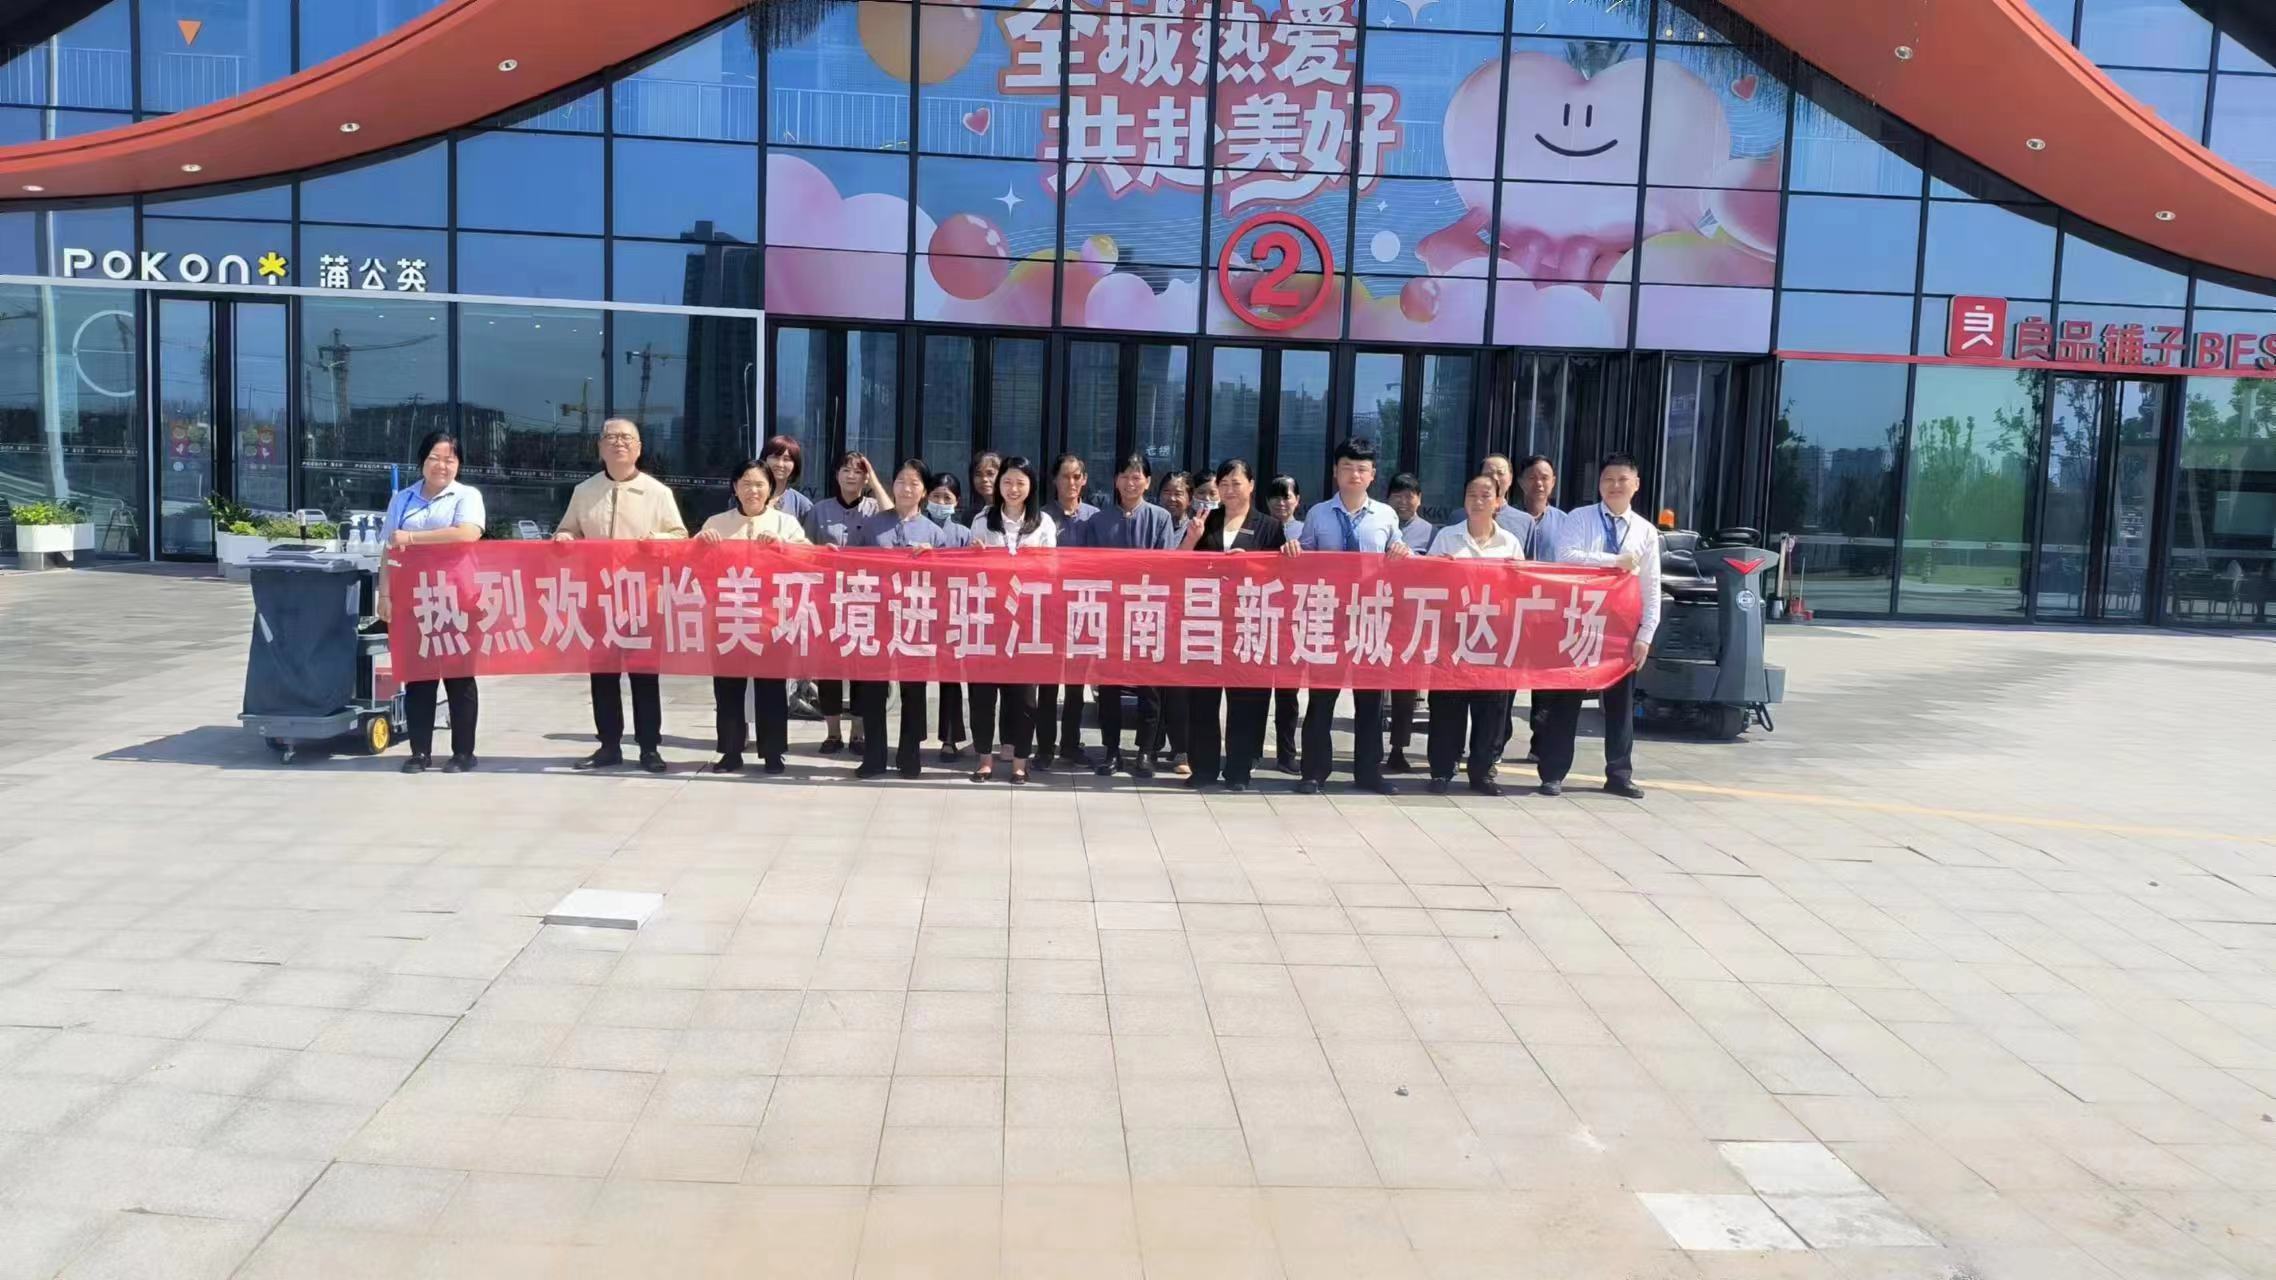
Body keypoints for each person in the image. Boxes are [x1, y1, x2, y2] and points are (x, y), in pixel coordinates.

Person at [554, 417, 689, 773]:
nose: (619, 443)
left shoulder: (658, 493)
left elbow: (680, 537)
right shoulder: (584, 491)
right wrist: (565, 538)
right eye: (611, 437)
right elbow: (568, 529)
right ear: (600, 447)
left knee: (644, 677)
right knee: (603, 676)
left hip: (643, 599)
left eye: (627, 438)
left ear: (639, 448)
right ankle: (609, 745)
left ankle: (649, 747)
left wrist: (655, 541)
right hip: (598, 598)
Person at [1283, 438, 1410, 796]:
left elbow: (1402, 555)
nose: (1354, 474)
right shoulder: (1319, 513)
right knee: (1322, 698)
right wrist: (1293, 550)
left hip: (1370, 616)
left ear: (1372, 475)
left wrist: (1402, 552)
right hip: (1329, 616)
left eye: (1361, 468)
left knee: (1370, 701)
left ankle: (1368, 772)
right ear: (1335, 472)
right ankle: (1314, 771)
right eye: (1347, 467)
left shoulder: (1385, 515)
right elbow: (1306, 556)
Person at [1538, 452, 1661, 800]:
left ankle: (1619, 774)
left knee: (1620, 705)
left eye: (1622, 479)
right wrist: (1615, 562)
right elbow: (1567, 557)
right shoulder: (1580, 518)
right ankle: (1553, 773)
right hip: (1579, 622)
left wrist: (1646, 634)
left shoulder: (1646, 530)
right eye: (1608, 479)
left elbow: (1651, 585)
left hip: (1622, 629)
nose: (1615, 485)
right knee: (1566, 701)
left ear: (1636, 485)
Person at [378, 431, 485, 775]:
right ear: (422, 461)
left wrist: (412, 538)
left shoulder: (466, 495)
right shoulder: (403, 499)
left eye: (450, 459)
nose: (442, 465)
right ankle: (419, 752)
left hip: (457, 599)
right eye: (434, 458)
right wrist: (384, 594)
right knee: (418, 679)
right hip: (413, 599)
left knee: (459, 678)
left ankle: (464, 753)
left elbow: (468, 533)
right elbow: (389, 549)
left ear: (459, 464)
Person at [698, 458, 809, 775]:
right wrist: (700, 544)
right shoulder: (716, 523)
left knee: (771, 689)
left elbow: (808, 557)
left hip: (771, 618)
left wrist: (782, 546)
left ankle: (773, 753)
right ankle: (731, 752)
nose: (752, 490)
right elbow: (694, 564)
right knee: (728, 689)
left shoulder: (785, 523)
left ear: (770, 488)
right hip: (728, 616)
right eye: (745, 483)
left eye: (759, 484)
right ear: (735, 487)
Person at [1179, 459, 1282, 792]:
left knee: (1246, 702)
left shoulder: (1269, 526)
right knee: (1202, 700)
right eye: (1223, 484)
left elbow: (1280, 576)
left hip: (1248, 621)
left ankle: (1239, 770)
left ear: (1251, 485)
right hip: (1207, 620)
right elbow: (1179, 566)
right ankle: (1204, 768)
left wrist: (1250, 565)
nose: (1230, 490)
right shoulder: (1206, 520)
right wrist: (1191, 539)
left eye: (1236, 483)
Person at [852, 459, 954, 780]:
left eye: (914, 483)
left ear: (923, 491)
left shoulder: (935, 533)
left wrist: (933, 558)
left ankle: (909, 756)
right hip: (877, 616)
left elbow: (946, 581)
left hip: (915, 618)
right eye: (900, 481)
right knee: (873, 690)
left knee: (914, 690)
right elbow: (853, 564)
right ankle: (874, 756)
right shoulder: (872, 525)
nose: (906, 488)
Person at [1424, 474, 1524, 796]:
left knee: (1491, 709)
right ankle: (1442, 770)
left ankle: (1482, 772)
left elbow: (1520, 588)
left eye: (1485, 495)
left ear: (1498, 502)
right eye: (1472, 495)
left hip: (1493, 637)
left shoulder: (1509, 543)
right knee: (1447, 706)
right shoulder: (1447, 537)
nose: (1478, 501)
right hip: (1452, 636)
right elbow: (1427, 582)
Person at [1080, 452, 1178, 779]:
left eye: (1137, 477)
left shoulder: (1160, 518)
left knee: (1150, 688)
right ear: (1116, 481)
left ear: (1147, 482)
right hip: (1110, 615)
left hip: (1148, 613)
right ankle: (1111, 751)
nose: (1130, 482)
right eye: (1125, 476)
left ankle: (1145, 752)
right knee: (1108, 687)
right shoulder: (1098, 521)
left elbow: (1165, 566)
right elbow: (1089, 568)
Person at [967, 455, 1055, 784]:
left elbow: (1053, 570)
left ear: (1031, 486)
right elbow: (969, 570)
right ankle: (984, 759)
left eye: (1020, 482)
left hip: (1028, 620)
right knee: (982, 694)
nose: (1013, 488)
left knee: (1024, 697)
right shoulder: (982, 520)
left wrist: (1036, 562)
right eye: (1007, 482)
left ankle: (1020, 761)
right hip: (989, 619)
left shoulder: (1043, 523)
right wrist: (975, 556)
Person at [803, 450, 891, 756]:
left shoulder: (874, 509)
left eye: (858, 471)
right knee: (829, 670)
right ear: (836, 475)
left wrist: (875, 479)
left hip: (864, 599)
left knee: (861, 669)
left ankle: (858, 733)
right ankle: (832, 733)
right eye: (845, 470)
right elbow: (803, 549)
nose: (851, 476)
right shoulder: (819, 510)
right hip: (827, 599)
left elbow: (893, 517)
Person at [1505, 454, 1568, 765]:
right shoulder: (1508, 519)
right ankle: (1496, 741)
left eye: (1545, 477)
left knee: (1546, 686)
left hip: (1551, 615)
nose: (1539, 483)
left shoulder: (1567, 523)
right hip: (1512, 613)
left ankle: (1540, 744)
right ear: (1520, 482)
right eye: (1532, 477)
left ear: (1553, 482)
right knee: (1505, 681)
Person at [1037, 453, 1098, 769]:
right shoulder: (1041, 517)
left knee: (1076, 686)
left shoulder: (1095, 518)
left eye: (1077, 476)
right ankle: (1045, 747)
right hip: (1049, 610)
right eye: (1065, 476)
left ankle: (1071, 744)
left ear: (1084, 480)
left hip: (1085, 609)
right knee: (1047, 684)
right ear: (1054, 479)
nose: (1071, 482)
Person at [1384, 472, 1433, 774]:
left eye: (1409, 495)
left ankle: (1398, 749)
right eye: (1397, 495)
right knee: (1370, 687)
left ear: (1419, 499)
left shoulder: (1430, 532)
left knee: (1405, 691)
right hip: (1375, 612)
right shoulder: (1380, 522)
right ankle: (1368, 747)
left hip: (1409, 620)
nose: (1403, 501)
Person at [925, 472, 974, 763]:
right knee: (912, 679)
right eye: (936, 496)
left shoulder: (964, 534)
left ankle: (950, 739)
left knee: (951, 679)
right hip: (917, 610)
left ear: (957, 502)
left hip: (952, 612)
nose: (940, 503)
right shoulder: (915, 527)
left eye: (947, 498)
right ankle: (912, 736)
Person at [1264, 474, 1305, 773]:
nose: (1281, 502)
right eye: (1276, 496)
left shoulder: (1306, 532)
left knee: (1288, 695)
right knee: (1256, 693)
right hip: (1262, 616)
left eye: (1287, 496)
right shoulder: (1261, 528)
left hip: (1293, 620)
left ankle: (1286, 754)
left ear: (1297, 500)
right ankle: (1252, 752)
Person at [1154, 469, 1195, 774]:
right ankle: (1151, 747)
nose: (1172, 498)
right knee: (1153, 687)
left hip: (1185, 617)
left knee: (1180, 690)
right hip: (1153, 614)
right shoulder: (1155, 522)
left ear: (1189, 498)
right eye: (1166, 492)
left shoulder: (1198, 528)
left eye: (1178, 493)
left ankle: (1182, 749)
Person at [1482, 453, 1539, 545]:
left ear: (1510, 479)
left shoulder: (1526, 521)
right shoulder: (1460, 517)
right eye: (1488, 474)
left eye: (1500, 473)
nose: (1495, 478)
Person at [762, 434, 813, 523]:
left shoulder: (802, 505)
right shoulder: (747, 495)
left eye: (787, 459)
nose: (780, 464)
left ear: (795, 465)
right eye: (775, 457)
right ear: (764, 459)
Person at [967, 450, 1003, 520]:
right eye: (978, 474)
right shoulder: (970, 515)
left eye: (990, 474)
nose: (984, 479)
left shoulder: (1012, 511)